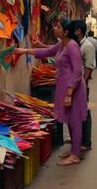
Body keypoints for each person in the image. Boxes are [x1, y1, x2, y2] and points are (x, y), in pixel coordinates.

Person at [15, 19, 88, 166]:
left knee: (75, 121)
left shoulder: (72, 46)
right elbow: (47, 51)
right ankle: (74, 149)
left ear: (66, 32)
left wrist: (69, 93)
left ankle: (75, 155)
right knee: (69, 119)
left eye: (58, 27)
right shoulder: (62, 44)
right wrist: (24, 51)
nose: (54, 28)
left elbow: (78, 71)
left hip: (73, 89)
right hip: (64, 87)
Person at [72, 20, 95, 152]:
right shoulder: (74, 44)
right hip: (73, 84)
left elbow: (89, 66)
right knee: (76, 111)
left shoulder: (87, 46)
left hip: (81, 84)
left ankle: (86, 141)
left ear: (78, 31)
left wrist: (83, 84)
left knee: (84, 111)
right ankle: (77, 138)